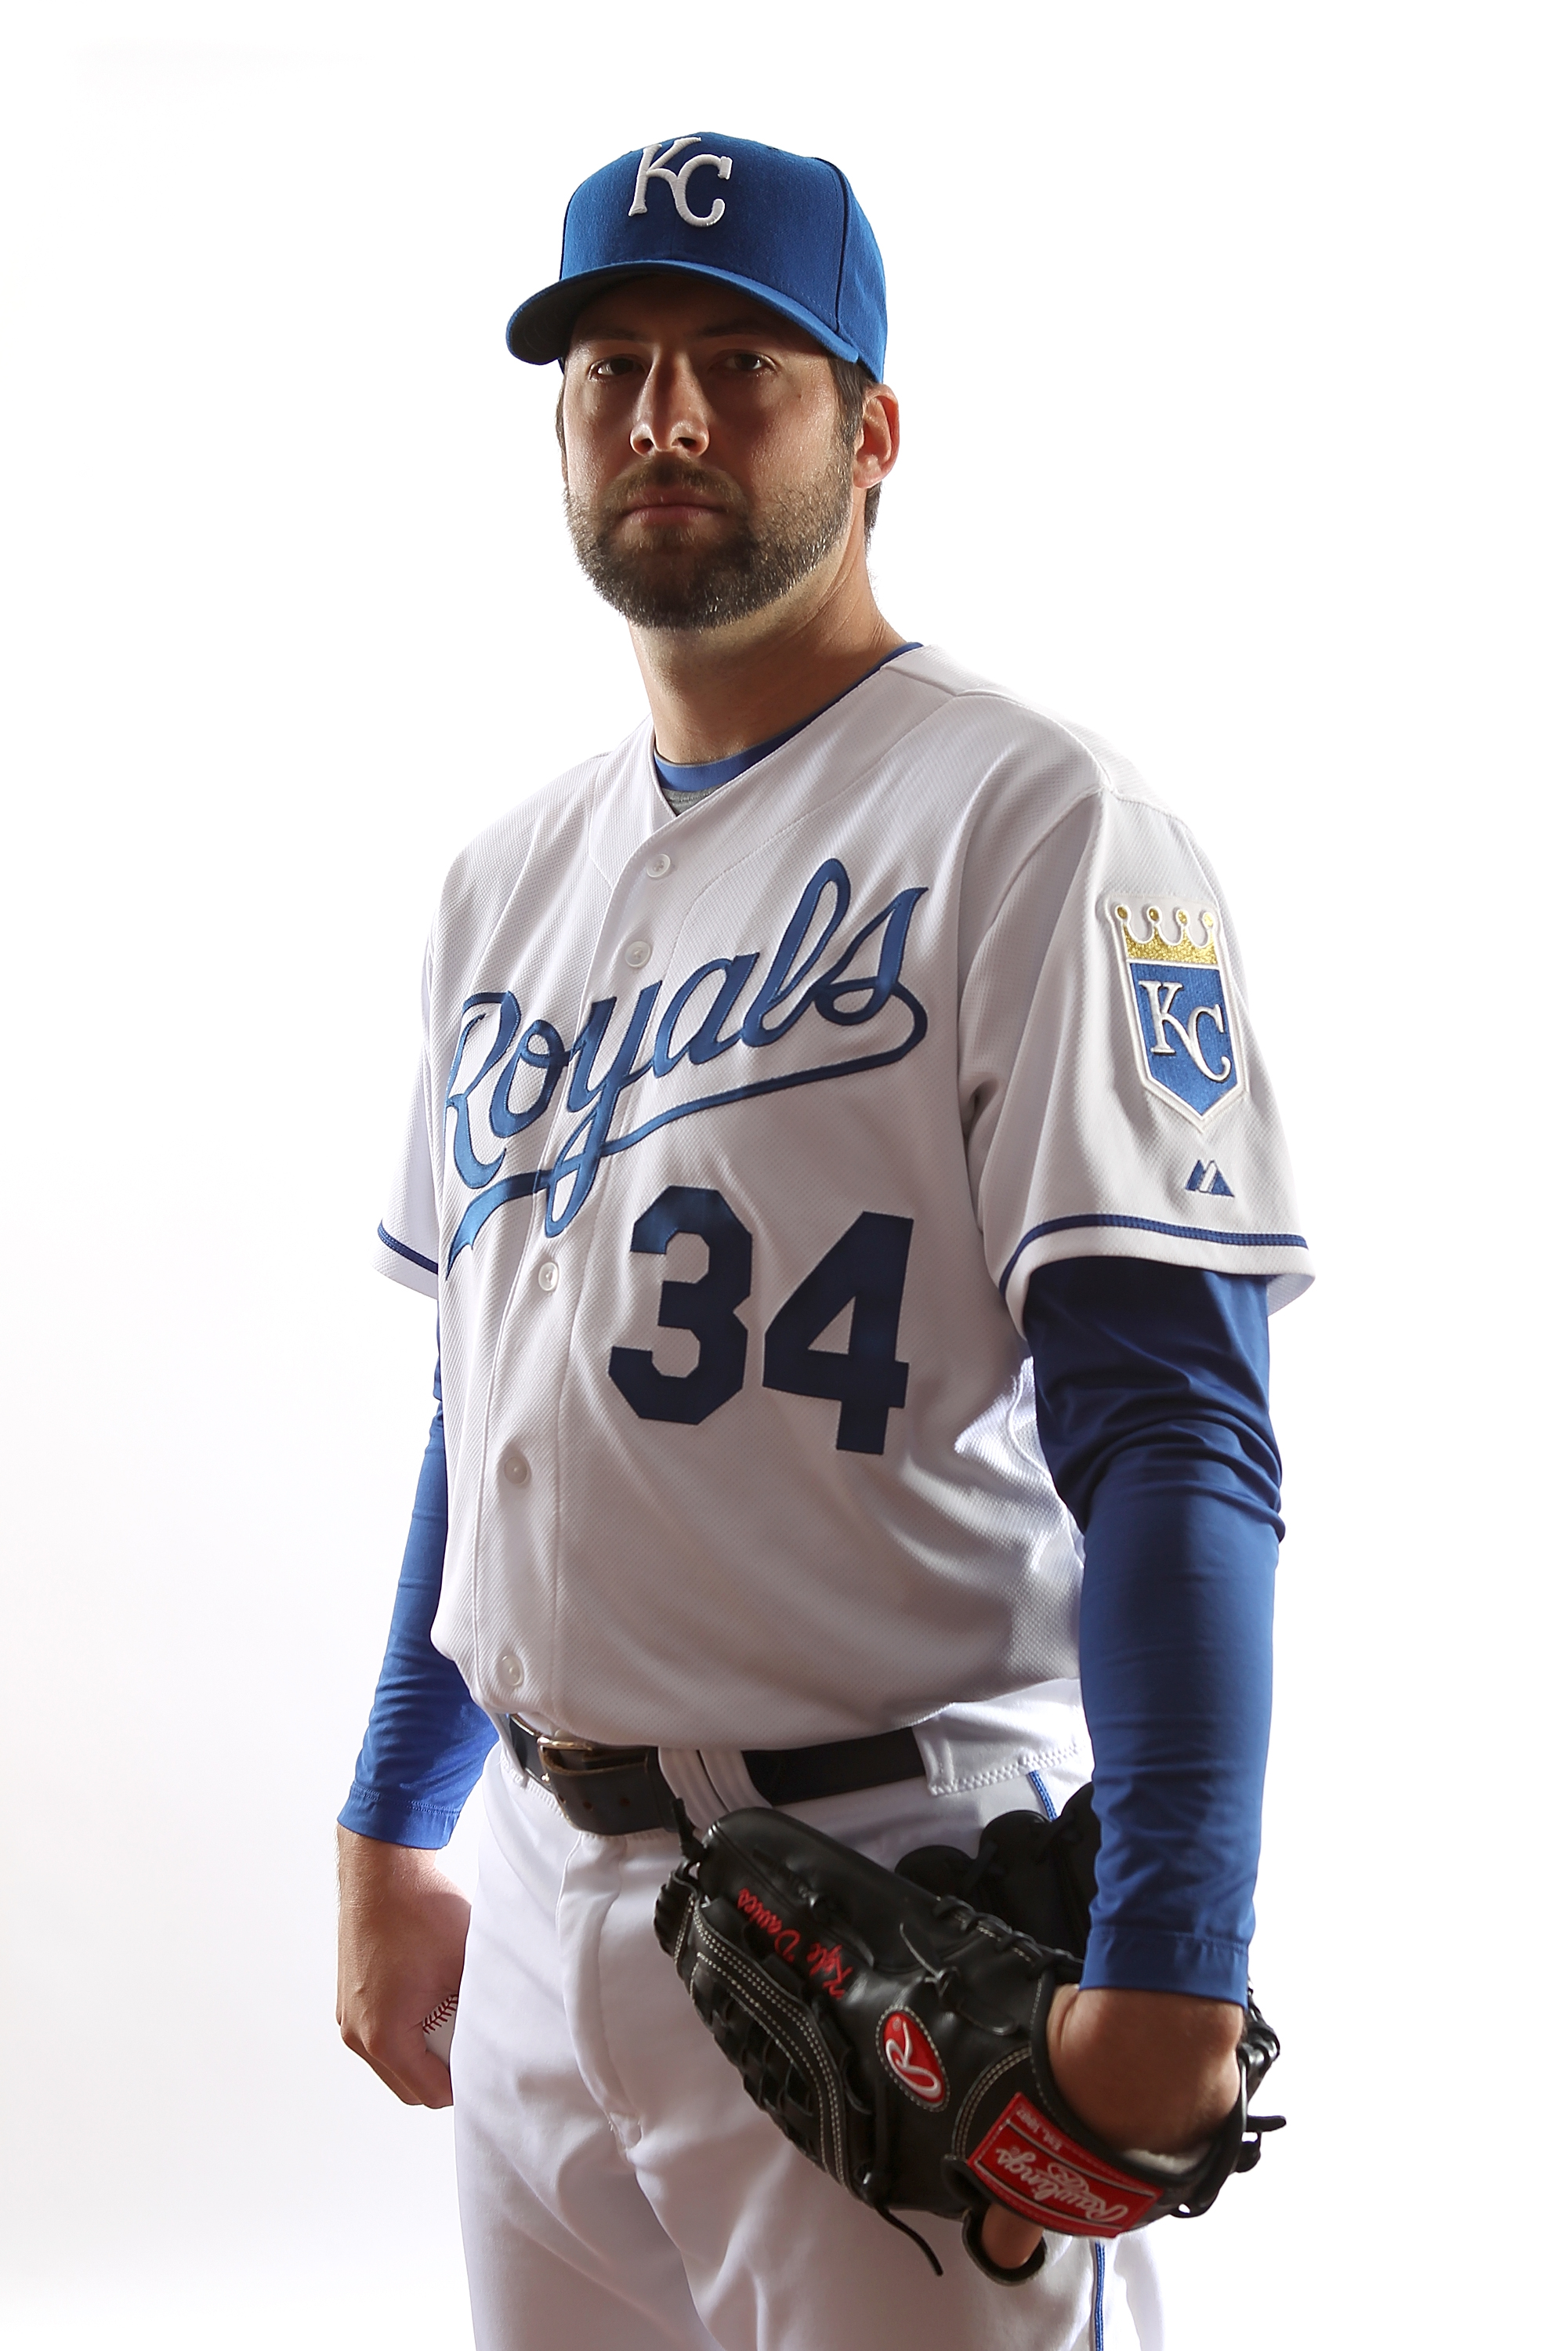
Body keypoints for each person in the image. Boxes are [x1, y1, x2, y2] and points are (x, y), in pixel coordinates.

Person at [335, 132, 1309, 2351]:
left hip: (888, 1906)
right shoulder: (504, 883)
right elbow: (481, 1404)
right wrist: (392, 1814)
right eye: (609, 367)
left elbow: (1174, 1437)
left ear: (870, 434)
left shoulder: (1036, 821)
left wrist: (1175, 1961)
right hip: (539, 1894)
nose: (659, 414)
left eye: (736, 363)